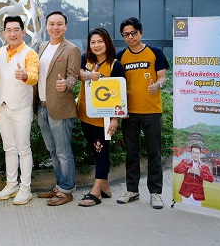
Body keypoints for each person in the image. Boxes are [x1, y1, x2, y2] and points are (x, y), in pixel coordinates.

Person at [116, 17, 169, 209]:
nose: (130, 37)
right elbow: (115, 84)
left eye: (133, 33)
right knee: (131, 153)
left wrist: (157, 85)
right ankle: (132, 191)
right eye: (126, 35)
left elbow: (162, 77)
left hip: (151, 111)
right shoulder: (121, 57)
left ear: (141, 32)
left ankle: (155, 193)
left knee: (154, 153)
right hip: (129, 113)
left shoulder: (155, 52)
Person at [34, 11, 81, 206]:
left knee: (63, 151)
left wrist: (66, 85)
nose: (55, 27)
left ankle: (67, 190)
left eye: (59, 24)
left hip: (61, 108)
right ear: (46, 26)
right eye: (51, 24)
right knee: (52, 151)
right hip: (42, 107)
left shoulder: (72, 49)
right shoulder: (42, 47)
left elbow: (73, 76)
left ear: (65, 26)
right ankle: (59, 186)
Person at [0, 16, 39, 205]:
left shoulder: (30, 54)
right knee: (9, 148)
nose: (12, 34)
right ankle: (11, 185)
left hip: (22, 108)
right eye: (9, 30)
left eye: (16, 30)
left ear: (23, 32)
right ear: (4, 33)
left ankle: (25, 188)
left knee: (23, 148)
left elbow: (34, 75)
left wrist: (25, 75)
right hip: (4, 107)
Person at [76, 28, 124, 207]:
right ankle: (105, 187)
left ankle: (96, 192)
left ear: (107, 42)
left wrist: (115, 119)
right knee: (96, 151)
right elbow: (78, 74)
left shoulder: (114, 65)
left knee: (101, 153)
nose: (96, 45)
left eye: (100, 41)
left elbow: (120, 94)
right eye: (93, 42)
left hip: (103, 120)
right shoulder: (85, 59)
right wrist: (89, 75)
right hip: (85, 114)